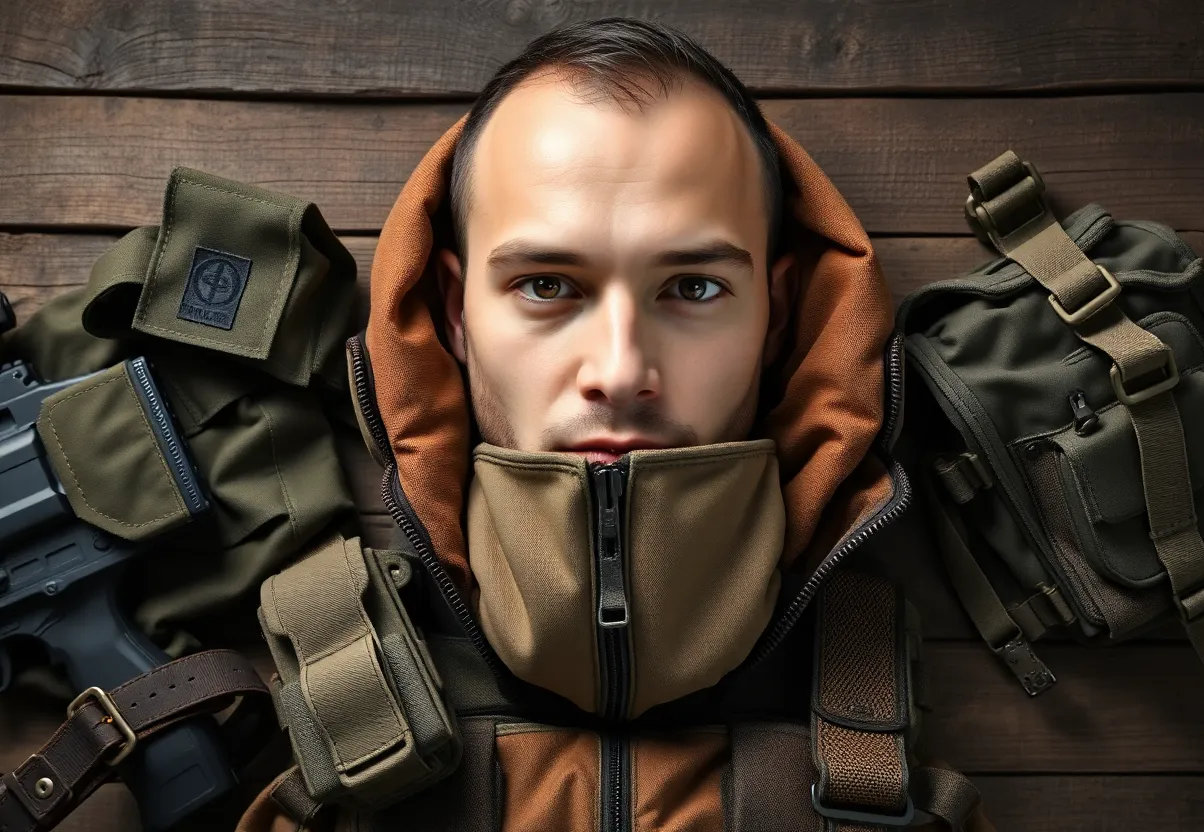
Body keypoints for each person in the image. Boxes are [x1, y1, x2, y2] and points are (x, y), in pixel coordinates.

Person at [240, 16, 994, 832]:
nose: (621, 371)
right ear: (456, 312)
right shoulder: (329, 700)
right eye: (547, 285)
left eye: (694, 288)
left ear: (776, 314)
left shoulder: (875, 724)